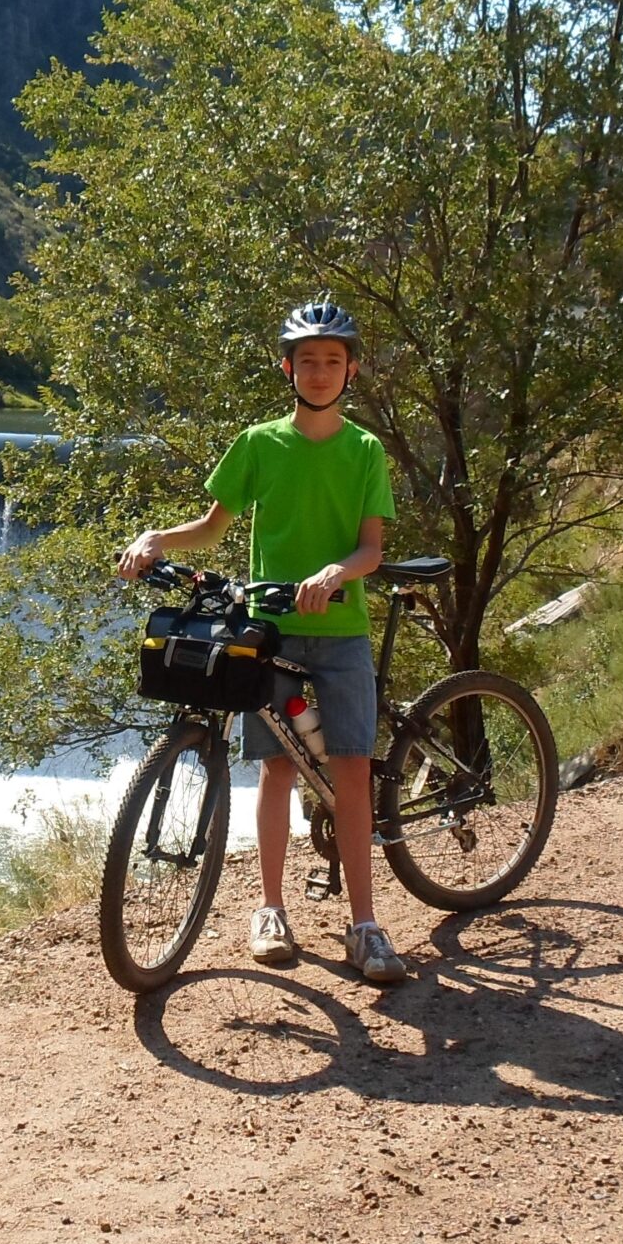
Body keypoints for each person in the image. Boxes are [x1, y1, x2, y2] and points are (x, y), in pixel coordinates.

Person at [116, 299, 412, 986]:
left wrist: (338, 571)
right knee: (276, 770)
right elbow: (212, 527)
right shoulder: (257, 443)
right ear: (288, 368)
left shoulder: (364, 449)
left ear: (351, 371)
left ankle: (366, 926)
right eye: (307, 360)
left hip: (338, 631)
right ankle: (271, 909)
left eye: (331, 361)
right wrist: (157, 538)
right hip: (269, 631)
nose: (318, 371)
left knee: (351, 771)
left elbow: (372, 549)